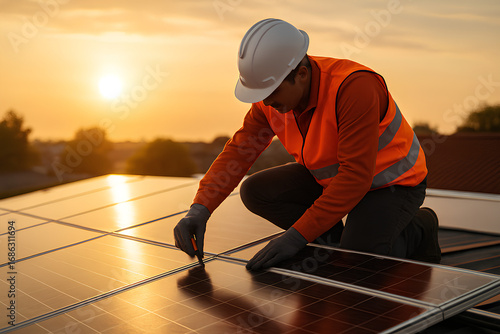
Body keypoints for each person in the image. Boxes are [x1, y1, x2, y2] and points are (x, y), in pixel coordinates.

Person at [173, 18, 441, 271]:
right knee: (256, 191)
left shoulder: (354, 87)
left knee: (359, 259)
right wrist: (199, 209)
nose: (266, 102)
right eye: (261, 95)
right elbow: (240, 151)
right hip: (334, 181)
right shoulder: (271, 97)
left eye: (271, 92)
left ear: (301, 74)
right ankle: (334, 241)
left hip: (390, 184)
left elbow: (356, 177)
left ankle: (419, 229)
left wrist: (296, 237)